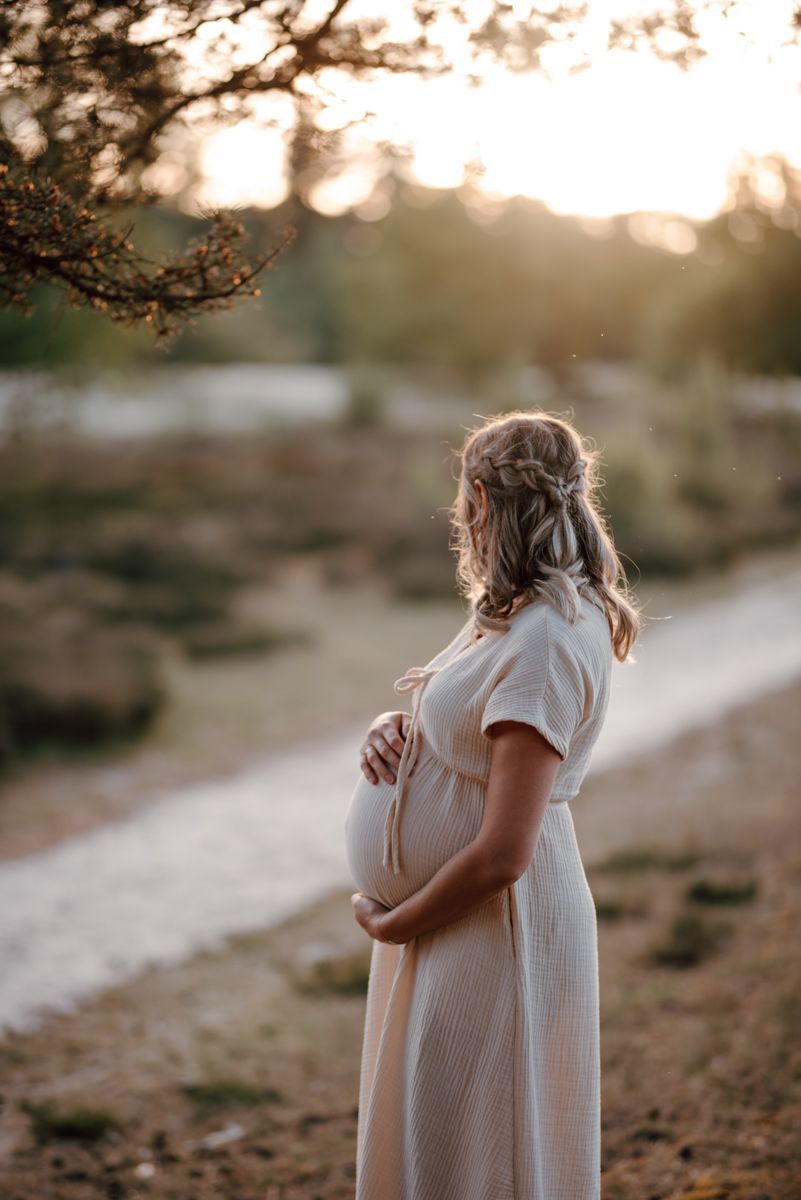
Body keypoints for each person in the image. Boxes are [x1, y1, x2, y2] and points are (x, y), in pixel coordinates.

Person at [344, 409, 642, 1200]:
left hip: (491, 927)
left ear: (479, 499)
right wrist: (392, 727)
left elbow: (504, 854)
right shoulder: (514, 613)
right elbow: (464, 724)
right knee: (439, 1146)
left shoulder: (546, 638)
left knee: (480, 1158)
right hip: (457, 925)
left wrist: (395, 923)